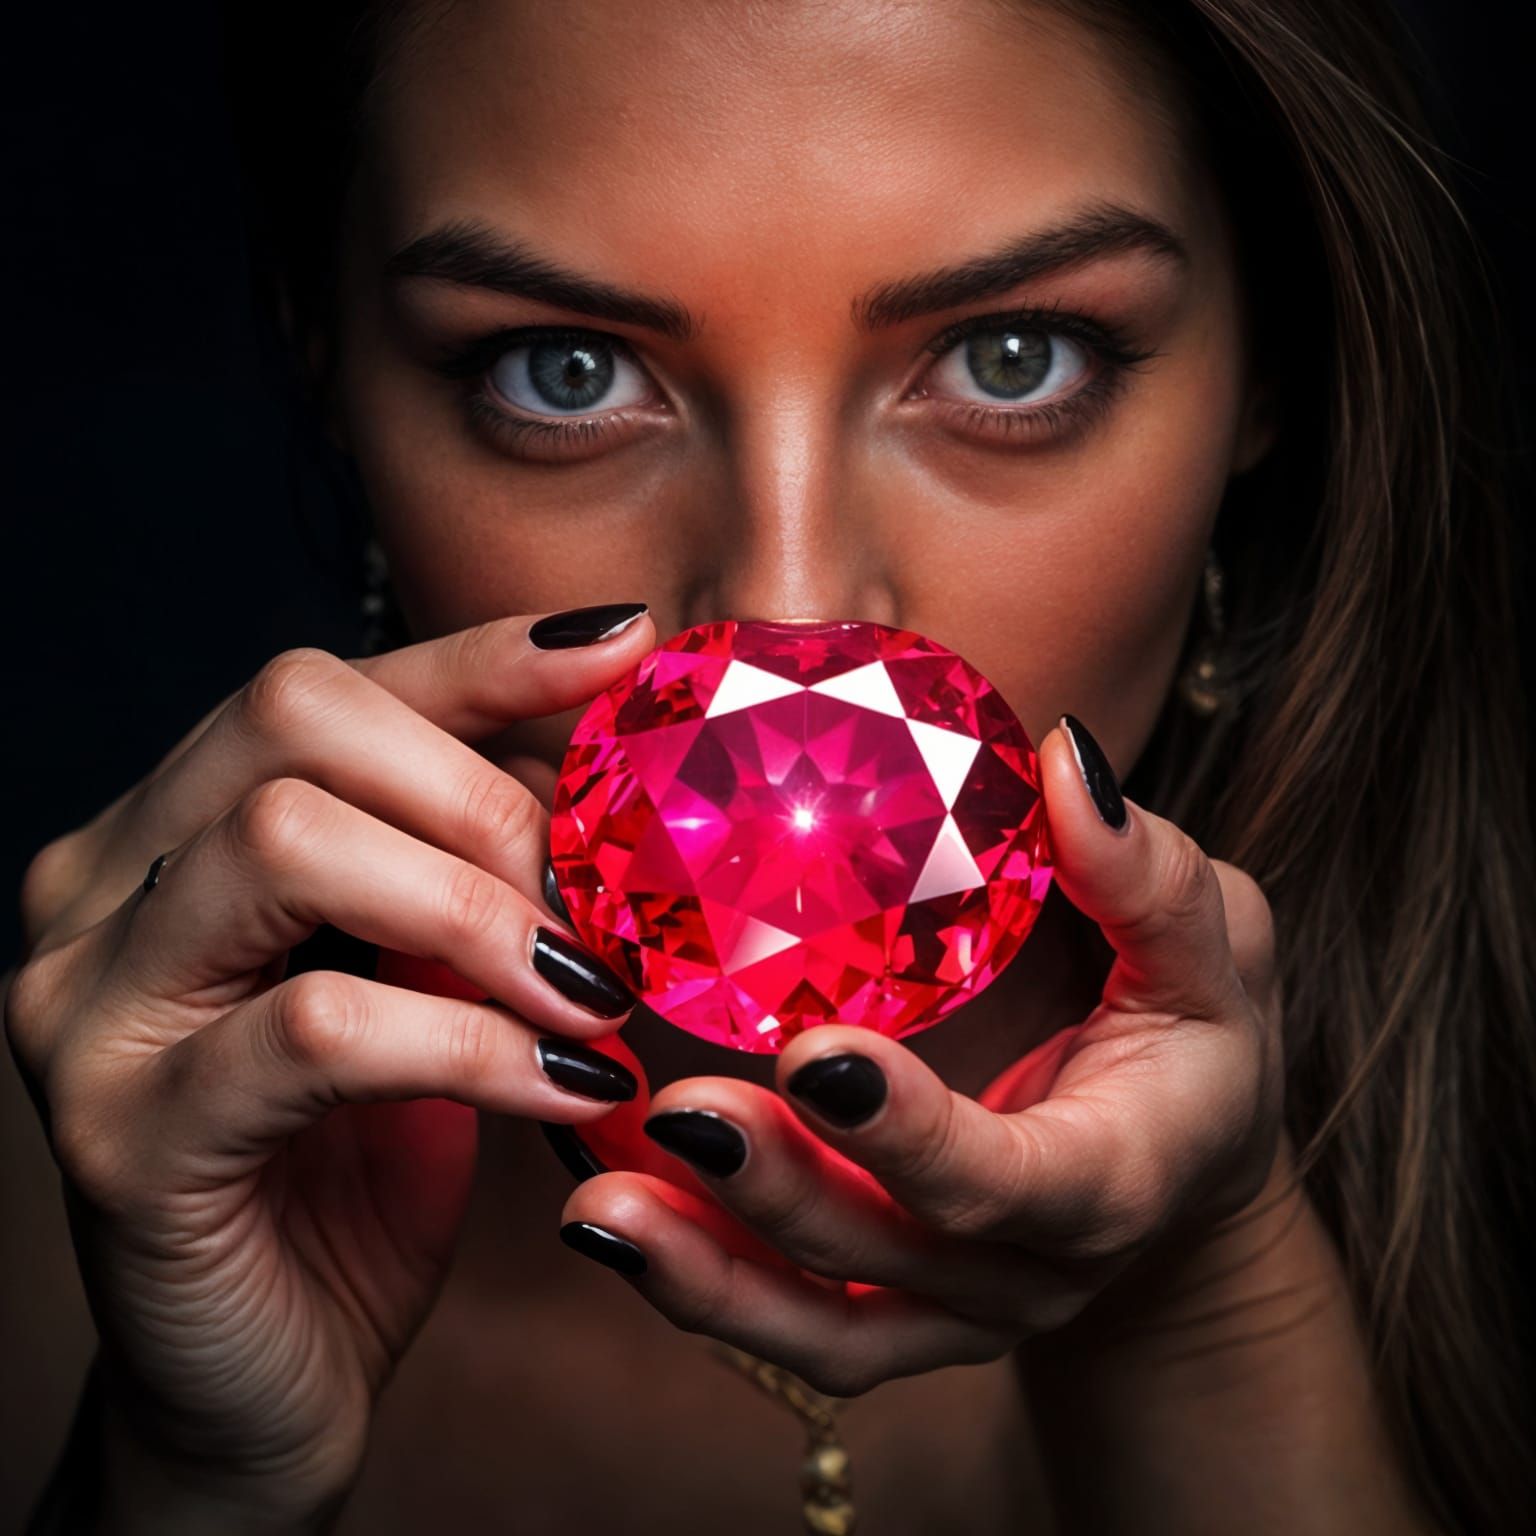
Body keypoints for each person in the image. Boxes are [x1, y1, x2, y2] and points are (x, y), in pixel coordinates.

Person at [6, 0, 1532, 1530]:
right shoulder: (96, 1206)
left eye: (1012, 359)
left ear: (1270, 370)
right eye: (566, 373)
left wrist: (1200, 1303)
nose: (789, 628)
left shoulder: (1502, 1150)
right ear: (329, 368)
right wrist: (179, 1484)